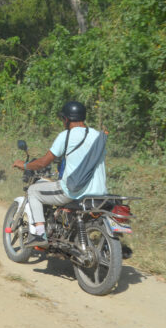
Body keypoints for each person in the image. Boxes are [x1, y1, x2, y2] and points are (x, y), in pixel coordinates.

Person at [11, 101, 107, 246]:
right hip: (99, 192)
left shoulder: (66, 136)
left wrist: (24, 165)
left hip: (74, 191)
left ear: (66, 119)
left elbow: (43, 162)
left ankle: (39, 235)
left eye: (63, 119)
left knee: (33, 190)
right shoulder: (97, 136)